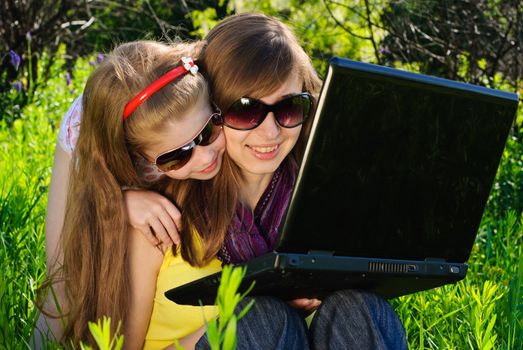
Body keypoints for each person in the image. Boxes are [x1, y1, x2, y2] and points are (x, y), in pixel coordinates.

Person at [38, 12, 408, 350]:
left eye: (289, 107)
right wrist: (116, 201)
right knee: (261, 318)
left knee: (359, 307)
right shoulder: (158, 214)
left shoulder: (308, 197)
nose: (269, 133)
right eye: (245, 112)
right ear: (221, 101)